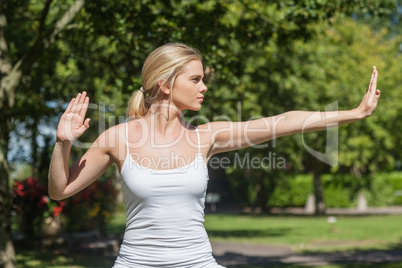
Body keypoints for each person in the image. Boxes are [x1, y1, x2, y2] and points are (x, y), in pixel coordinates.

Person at [48, 43, 380, 267]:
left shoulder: (207, 136)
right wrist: (63, 143)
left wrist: (353, 112)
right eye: (195, 79)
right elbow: (59, 190)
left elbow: (282, 122)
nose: (204, 86)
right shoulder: (117, 138)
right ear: (165, 84)